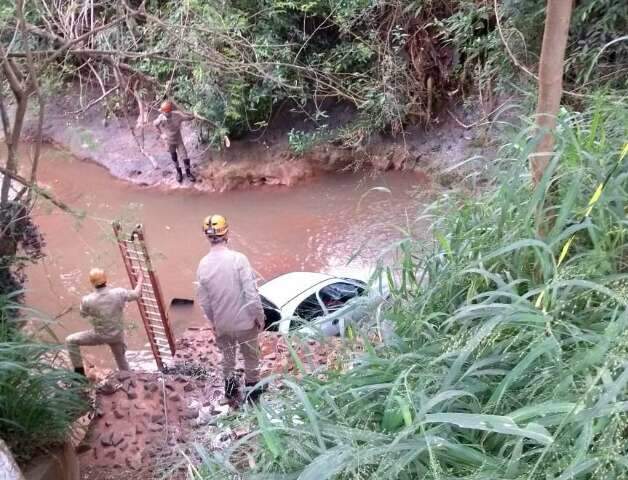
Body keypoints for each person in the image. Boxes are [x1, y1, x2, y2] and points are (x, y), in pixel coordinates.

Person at [196, 214, 266, 404]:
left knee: (227, 357)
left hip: (222, 324)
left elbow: (205, 302)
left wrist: (214, 323)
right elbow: (251, 293)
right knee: (251, 357)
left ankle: (230, 391)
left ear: (207, 236)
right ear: (227, 233)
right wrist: (259, 316)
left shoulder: (202, 265)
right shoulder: (239, 259)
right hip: (244, 322)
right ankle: (253, 395)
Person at [66, 267, 144, 375]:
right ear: (106, 279)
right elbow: (136, 294)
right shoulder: (119, 293)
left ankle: (79, 374)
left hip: (99, 335)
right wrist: (140, 278)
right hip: (117, 335)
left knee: (70, 340)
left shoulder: (88, 300)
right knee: (122, 362)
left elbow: (83, 315)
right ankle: (129, 378)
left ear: (92, 283)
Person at [153, 100, 196, 183]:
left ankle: (188, 173)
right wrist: (161, 134)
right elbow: (155, 124)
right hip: (169, 142)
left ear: (169, 111)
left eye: (166, 112)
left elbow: (188, 117)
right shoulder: (161, 118)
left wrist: (195, 115)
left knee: (185, 157)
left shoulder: (177, 115)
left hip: (179, 141)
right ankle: (178, 173)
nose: (164, 114)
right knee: (174, 157)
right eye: (163, 112)